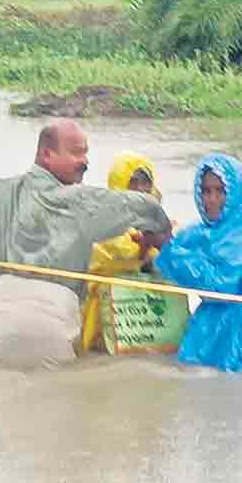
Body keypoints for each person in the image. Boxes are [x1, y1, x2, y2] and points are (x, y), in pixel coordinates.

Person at [0, 120, 172, 370]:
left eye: (86, 153)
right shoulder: (80, 200)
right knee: (58, 404)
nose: (85, 161)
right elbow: (147, 207)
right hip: (48, 322)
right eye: (76, 152)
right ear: (46, 154)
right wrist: (161, 234)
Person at [154, 153, 242, 372]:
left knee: (233, 375)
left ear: (235, 192)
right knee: (189, 364)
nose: (211, 199)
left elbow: (219, 286)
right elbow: (172, 254)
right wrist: (151, 242)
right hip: (217, 314)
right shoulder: (204, 230)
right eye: (205, 191)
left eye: (220, 191)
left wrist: (167, 246)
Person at [78, 152, 168, 354]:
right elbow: (118, 252)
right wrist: (147, 246)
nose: (140, 188)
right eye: (133, 182)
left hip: (144, 319)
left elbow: (174, 252)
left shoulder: (157, 220)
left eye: (145, 182)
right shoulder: (103, 221)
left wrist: (158, 243)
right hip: (102, 317)